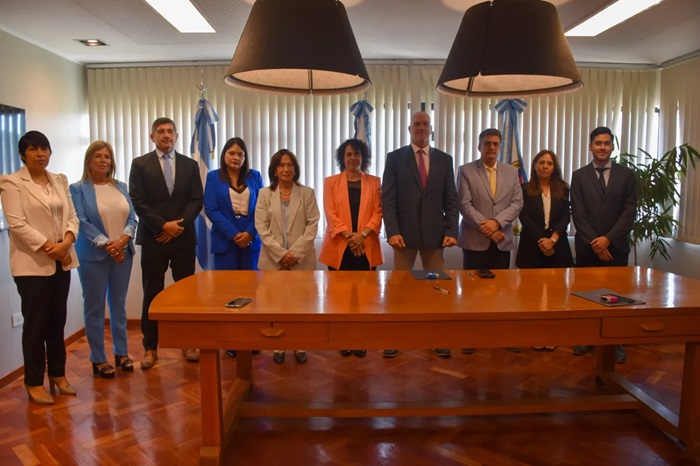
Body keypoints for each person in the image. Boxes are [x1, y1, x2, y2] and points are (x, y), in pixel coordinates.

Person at [0, 131, 79, 404]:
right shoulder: (12, 182)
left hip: (62, 262)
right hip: (32, 266)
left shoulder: (59, 180)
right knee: (35, 325)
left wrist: (66, 243)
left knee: (57, 322)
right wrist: (52, 248)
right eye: (33, 149)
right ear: (23, 154)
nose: (40, 154)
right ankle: (33, 381)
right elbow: (17, 225)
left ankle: (58, 374)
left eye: (44, 148)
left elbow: (72, 216)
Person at [381, 111, 459, 358]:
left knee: (436, 288)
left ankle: (436, 338)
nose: (421, 127)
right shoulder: (395, 158)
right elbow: (388, 199)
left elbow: (451, 199)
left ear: (431, 128)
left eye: (425, 124)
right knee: (400, 289)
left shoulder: (444, 160)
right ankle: (395, 338)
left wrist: (451, 230)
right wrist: (392, 232)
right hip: (403, 237)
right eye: (417, 124)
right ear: (409, 128)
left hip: (435, 236)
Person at [129, 117, 204, 369]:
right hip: (154, 238)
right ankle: (150, 348)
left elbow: (196, 200)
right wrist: (163, 226)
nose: (166, 135)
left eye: (170, 131)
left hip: (183, 239)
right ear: (152, 137)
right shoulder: (140, 164)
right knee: (152, 293)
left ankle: (188, 343)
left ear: (177, 136)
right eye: (160, 131)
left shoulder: (190, 165)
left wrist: (176, 228)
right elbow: (137, 200)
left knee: (186, 295)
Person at [70, 141, 137, 378]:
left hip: (123, 254)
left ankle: (122, 352)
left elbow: (132, 217)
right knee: (95, 308)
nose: (103, 160)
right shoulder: (78, 189)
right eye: (97, 156)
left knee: (119, 305)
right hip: (93, 256)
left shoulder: (120, 186)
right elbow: (81, 221)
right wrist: (108, 244)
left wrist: (122, 240)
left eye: (107, 156)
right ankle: (98, 358)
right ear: (89, 161)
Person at [570, 126, 637, 363]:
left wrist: (608, 239)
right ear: (590, 146)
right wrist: (596, 243)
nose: (602, 147)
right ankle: (586, 338)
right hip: (587, 248)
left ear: (612, 146)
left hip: (616, 247)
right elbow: (577, 212)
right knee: (587, 295)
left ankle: (615, 343)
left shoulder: (626, 175)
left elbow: (629, 212)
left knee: (616, 296)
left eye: (607, 143)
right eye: (598, 143)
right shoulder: (579, 176)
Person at [456, 128, 523, 354]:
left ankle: (500, 335)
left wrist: (496, 223)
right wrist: (487, 227)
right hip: (475, 240)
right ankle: (471, 337)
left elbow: (517, 203)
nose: (491, 147)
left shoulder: (511, 172)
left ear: (500, 147)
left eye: (495, 144)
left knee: (501, 290)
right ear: (479, 146)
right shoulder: (465, 170)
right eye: (487, 143)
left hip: (501, 240)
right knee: (472, 290)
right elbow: (464, 204)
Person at [319, 139, 383, 358]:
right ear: (342, 158)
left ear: (363, 157)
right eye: (348, 154)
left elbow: (378, 213)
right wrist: (350, 238)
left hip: (366, 245)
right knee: (340, 296)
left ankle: (360, 339)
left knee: (364, 296)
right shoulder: (330, 182)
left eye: (357, 154)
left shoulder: (374, 182)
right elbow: (330, 214)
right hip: (340, 246)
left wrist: (361, 236)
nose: (353, 158)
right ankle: (343, 339)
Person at [255, 149, 319, 364]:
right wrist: (281, 255)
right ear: (274, 170)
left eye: (290, 165)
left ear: (295, 169)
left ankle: (300, 344)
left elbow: (312, 226)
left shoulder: (307, 193)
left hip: (301, 260)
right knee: (275, 305)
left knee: (301, 305)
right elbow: (261, 227)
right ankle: (278, 346)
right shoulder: (264, 194)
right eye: (281, 165)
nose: (286, 169)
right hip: (273, 260)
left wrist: (294, 254)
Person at [204, 137, 263, 358]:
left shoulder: (255, 176)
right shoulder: (213, 177)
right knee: (227, 293)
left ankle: (250, 339)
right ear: (224, 155)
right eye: (231, 153)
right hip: (225, 242)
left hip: (250, 241)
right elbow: (211, 209)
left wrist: (249, 233)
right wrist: (234, 234)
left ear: (245, 157)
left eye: (240, 154)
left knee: (251, 292)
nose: (236, 157)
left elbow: (262, 207)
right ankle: (231, 341)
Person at [515, 150, 574, 351]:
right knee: (531, 294)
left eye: (549, 163)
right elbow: (524, 216)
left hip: (558, 247)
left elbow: (566, 216)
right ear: (535, 165)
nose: (545, 166)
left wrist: (553, 239)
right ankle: (534, 334)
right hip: (532, 246)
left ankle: (551, 334)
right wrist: (542, 241)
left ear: (554, 167)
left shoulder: (563, 189)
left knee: (556, 294)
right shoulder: (524, 188)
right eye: (541, 162)